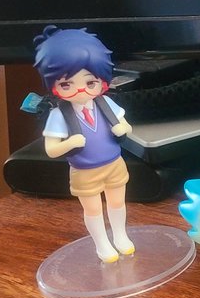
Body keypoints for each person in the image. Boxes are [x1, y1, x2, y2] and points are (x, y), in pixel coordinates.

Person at [34, 26, 135, 263]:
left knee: (117, 202)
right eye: (67, 84)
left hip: (114, 163)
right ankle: (102, 244)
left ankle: (120, 236)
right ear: (54, 85)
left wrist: (124, 129)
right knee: (93, 209)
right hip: (84, 170)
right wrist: (70, 143)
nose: (80, 89)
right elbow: (51, 150)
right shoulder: (60, 115)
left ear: (102, 81)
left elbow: (126, 126)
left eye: (90, 82)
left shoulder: (106, 104)